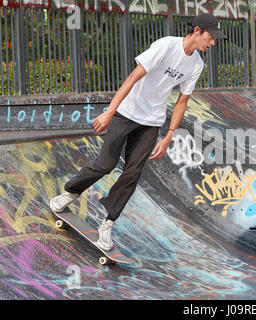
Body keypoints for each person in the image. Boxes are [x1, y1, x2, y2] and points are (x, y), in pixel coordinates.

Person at [49, 13, 226, 251]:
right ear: (197, 30)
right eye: (211, 37)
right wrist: (110, 111)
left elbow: (182, 101)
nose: (212, 43)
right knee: (106, 164)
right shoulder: (166, 45)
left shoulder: (196, 64)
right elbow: (133, 76)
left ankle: (108, 222)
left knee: (133, 173)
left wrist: (169, 135)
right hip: (126, 113)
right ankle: (70, 193)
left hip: (151, 121)